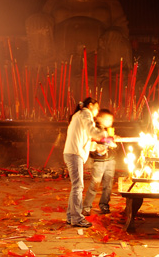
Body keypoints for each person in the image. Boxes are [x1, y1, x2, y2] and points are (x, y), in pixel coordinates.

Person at [63, 97, 107, 227]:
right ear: (90, 105)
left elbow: (84, 139)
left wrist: (97, 147)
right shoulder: (85, 113)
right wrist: (105, 134)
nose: (97, 111)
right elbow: (92, 131)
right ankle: (76, 218)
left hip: (72, 153)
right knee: (78, 186)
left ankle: (71, 216)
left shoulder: (79, 115)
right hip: (74, 154)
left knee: (76, 186)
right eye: (97, 107)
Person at [82, 108, 117, 215]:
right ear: (99, 119)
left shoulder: (110, 130)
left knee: (108, 185)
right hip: (99, 161)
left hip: (110, 160)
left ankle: (104, 205)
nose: (110, 122)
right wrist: (98, 149)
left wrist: (113, 143)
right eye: (107, 119)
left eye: (111, 120)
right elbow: (91, 146)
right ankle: (87, 207)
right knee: (95, 184)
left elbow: (114, 145)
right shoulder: (95, 130)